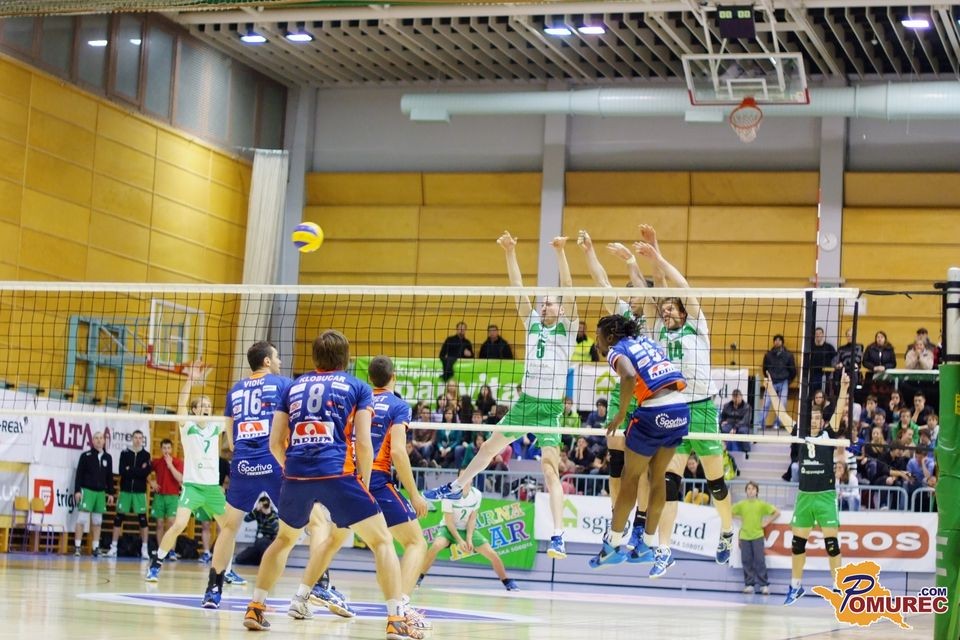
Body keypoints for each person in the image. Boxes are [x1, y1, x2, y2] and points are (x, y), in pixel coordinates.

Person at [241, 331, 420, 640]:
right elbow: (363, 444)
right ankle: (395, 619)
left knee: (283, 540)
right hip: (338, 474)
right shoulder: (357, 387)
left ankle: (255, 607)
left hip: (296, 474)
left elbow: (275, 442)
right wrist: (363, 482)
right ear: (346, 358)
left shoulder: (293, 386)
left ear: (315, 357)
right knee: (382, 541)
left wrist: (292, 469)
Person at [423, 233, 579, 561]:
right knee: (488, 448)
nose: (544, 305)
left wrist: (561, 252)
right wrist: (510, 252)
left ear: (562, 308)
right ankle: (456, 487)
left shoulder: (567, 327)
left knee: (550, 470)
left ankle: (558, 535)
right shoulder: (532, 322)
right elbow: (517, 288)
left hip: (550, 409)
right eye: (543, 302)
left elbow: (568, 285)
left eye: (550, 302)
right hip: (526, 403)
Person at [285, 355, 432, 630]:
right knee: (415, 543)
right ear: (393, 377)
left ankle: (300, 597)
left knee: (334, 539)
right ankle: (401, 608)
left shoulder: (358, 396)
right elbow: (398, 452)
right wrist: (414, 494)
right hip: (375, 479)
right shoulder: (398, 406)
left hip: (348, 476)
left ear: (370, 378)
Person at [633, 225, 736, 567]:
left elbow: (679, 286)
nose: (666, 313)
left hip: (703, 409)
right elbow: (658, 290)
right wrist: (648, 255)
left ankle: (726, 531)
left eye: (671, 309)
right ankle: (664, 550)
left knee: (716, 483)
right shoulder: (658, 331)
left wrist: (657, 252)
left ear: (682, 311)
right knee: (668, 481)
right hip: (673, 411)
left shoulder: (697, 325)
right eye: (663, 310)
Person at [589, 313, 689, 578]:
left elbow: (629, 375)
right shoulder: (648, 342)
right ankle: (646, 545)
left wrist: (621, 413)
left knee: (630, 477)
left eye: (598, 336)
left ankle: (613, 545)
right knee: (657, 477)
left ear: (610, 336)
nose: (597, 342)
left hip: (653, 413)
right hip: (680, 410)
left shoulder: (616, 350)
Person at [194, 341, 291, 607]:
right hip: (273, 460)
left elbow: (230, 429)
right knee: (306, 523)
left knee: (229, 527)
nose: (279, 361)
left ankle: (213, 589)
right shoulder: (282, 384)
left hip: (244, 462)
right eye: (277, 357)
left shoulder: (235, 389)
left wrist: (241, 450)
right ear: (267, 361)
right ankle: (317, 585)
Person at [577, 229, 652, 555]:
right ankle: (616, 524)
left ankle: (640, 526)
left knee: (643, 467)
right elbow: (602, 281)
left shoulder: (654, 317)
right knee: (616, 457)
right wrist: (589, 250)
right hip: (624, 394)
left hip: (648, 397)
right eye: (630, 293)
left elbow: (647, 290)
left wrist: (634, 262)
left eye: (636, 292)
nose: (631, 297)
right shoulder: (623, 318)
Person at [763, 370, 850, 606]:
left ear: (822, 420)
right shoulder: (799, 434)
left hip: (825, 497)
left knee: (831, 544)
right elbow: (781, 414)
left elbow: (839, 410)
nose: (813, 420)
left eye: (817, 417)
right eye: (810, 417)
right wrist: (770, 389)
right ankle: (795, 586)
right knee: (797, 544)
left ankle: (838, 588)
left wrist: (844, 388)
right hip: (804, 497)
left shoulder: (828, 434)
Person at [145, 364, 229, 586]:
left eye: (209, 406)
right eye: (202, 405)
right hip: (192, 486)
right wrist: (190, 380)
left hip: (212, 488)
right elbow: (181, 403)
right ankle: (156, 563)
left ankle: (227, 570)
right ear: (194, 410)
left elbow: (232, 417)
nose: (206, 408)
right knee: (178, 524)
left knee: (228, 528)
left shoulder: (216, 426)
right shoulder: (187, 425)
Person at [418, 481, 519, 591]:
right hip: (448, 528)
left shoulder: (477, 494)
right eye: (463, 476)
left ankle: (506, 581)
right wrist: (460, 540)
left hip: (467, 529)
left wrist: (469, 538)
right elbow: (449, 521)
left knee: (493, 554)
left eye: (469, 476)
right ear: (459, 478)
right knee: (436, 546)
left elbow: (473, 518)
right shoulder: (448, 494)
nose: (466, 479)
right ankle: (418, 577)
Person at [106, 429, 151, 559]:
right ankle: (113, 548)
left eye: (140, 438)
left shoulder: (146, 455)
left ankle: (144, 549)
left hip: (139, 492)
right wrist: (137, 470)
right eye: (135, 437)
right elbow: (122, 471)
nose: (137, 440)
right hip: (125, 491)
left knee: (143, 520)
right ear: (132, 438)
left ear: (143, 440)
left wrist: (130, 469)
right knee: (118, 518)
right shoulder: (124, 453)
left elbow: (145, 473)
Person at [731, 481, 779, 594]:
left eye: (753, 489)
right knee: (746, 561)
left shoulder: (761, 504)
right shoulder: (741, 504)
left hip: (758, 536)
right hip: (744, 536)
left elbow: (777, 512)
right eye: (748, 489)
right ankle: (749, 585)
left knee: (760, 561)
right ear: (746, 491)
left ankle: (763, 585)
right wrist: (739, 517)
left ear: (757, 491)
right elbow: (729, 512)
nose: (751, 491)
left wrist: (767, 522)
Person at [73, 431, 115, 557]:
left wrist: (111, 493)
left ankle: (95, 547)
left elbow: (109, 477)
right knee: (81, 519)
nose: (99, 440)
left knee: (97, 521)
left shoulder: (108, 457)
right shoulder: (86, 456)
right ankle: (77, 547)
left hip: (100, 493)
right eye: (96, 438)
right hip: (87, 491)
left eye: (101, 438)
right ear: (92, 441)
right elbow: (79, 475)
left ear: (104, 441)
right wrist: (77, 491)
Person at [149, 438, 183, 560]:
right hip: (159, 496)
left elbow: (180, 478)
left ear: (172, 449)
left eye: (168, 448)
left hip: (172, 497)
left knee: (172, 525)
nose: (166, 450)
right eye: (164, 448)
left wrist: (170, 465)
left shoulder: (177, 462)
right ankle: (161, 551)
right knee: (159, 524)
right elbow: (145, 472)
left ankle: (172, 550)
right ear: (161, 449)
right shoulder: (157, 462)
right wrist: (151, 481)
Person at [761, 335, 797, 429]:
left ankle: (777, 423)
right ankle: (761, 423)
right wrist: (768, 378)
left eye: (779, 340)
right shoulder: (768, 355)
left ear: (782, 342)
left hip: (783, 381)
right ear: (773, 342)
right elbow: (764, 368)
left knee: (782, 404)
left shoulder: (788, 355)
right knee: (766, 403)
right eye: (775, 340)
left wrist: (788, 381)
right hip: (771, 381)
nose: (777, 342)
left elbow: (793, 370)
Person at [235, 496, 279, 566]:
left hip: (269, 544)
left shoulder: (274, 515)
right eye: (263, 505)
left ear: (270, 505)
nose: (265, 507)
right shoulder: (258, 513)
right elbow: (246, 519)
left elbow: (276, 529)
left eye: (266, 505)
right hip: (258, 545)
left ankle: (263, 560)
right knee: (239, 559)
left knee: (262, 541)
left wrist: (268, 514)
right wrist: (256, 510)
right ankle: (260, 561)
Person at [719, 389, 752, 455]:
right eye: (734, 397)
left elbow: (745, 421)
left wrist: (735, 428)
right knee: (723, 429)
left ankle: (746, 452)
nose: (736, 399)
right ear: (732, 397)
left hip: (742, 425)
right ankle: (722, 450)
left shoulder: (747, 407)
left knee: (742, 431)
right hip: (729, 424)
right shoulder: (727, 406)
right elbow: (722, 417)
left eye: (738, 397)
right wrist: (722, 422)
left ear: (741, 397)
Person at [809, 327, 837, 393]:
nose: (818, 335)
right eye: (816, 333)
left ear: (823, 335)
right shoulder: (811, 347)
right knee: (814, 393)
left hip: (826, 375)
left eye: (820, 333)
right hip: (814, 375)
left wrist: (835, 367)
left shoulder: (829, 347)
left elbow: (836, 359)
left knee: (824, 393)